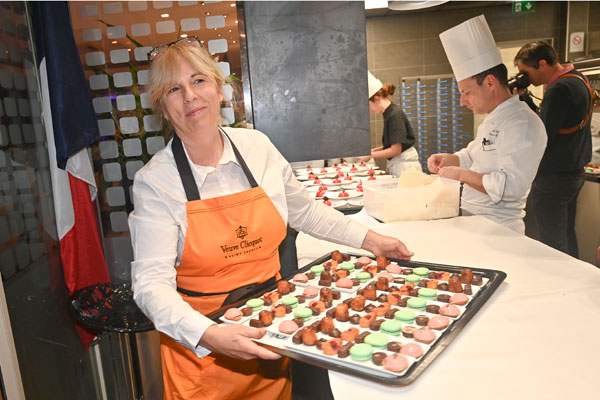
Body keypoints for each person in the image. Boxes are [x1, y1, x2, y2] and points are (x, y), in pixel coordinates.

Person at [128, 37, 413, 400]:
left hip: (273, 331)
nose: (190, 96)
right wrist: (208, 335)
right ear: (163, 109)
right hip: (204, 355)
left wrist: (372, 240)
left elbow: (305, 211)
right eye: (174, 89)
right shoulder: (156, 182)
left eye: (198, 80)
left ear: (218, 88)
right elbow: (151, 284)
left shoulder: (257, 147)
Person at [427, 15, 547, 234]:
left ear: (490, 82)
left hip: (499, 230)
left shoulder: (522, 123)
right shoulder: (493, 119)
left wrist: (460, 174)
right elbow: (474, 156)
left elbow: (510, 187)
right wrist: (450, 159)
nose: (462, 101)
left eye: (466, 92)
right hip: (475, 223)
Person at [513, 41, 593, 257]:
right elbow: (551, 122)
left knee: (552, 242)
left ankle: (560, 277)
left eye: (525, 72)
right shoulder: (578, 79)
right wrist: (526, 99)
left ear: (542, 64)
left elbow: (541, 133)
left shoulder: (559, 89)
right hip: (573, 172)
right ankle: (574, 273)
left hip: (554, 177)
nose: (526, 78)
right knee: (566, 234)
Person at [359, 72, 421, 176]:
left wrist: (370, 154)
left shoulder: (394, 115)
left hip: (406, 168)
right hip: (400, 165)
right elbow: (391, 145)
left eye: (368, 105)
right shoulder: (388, 113)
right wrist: (370, 151)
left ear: (377, 99)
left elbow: (395, 150)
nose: (369, 110)